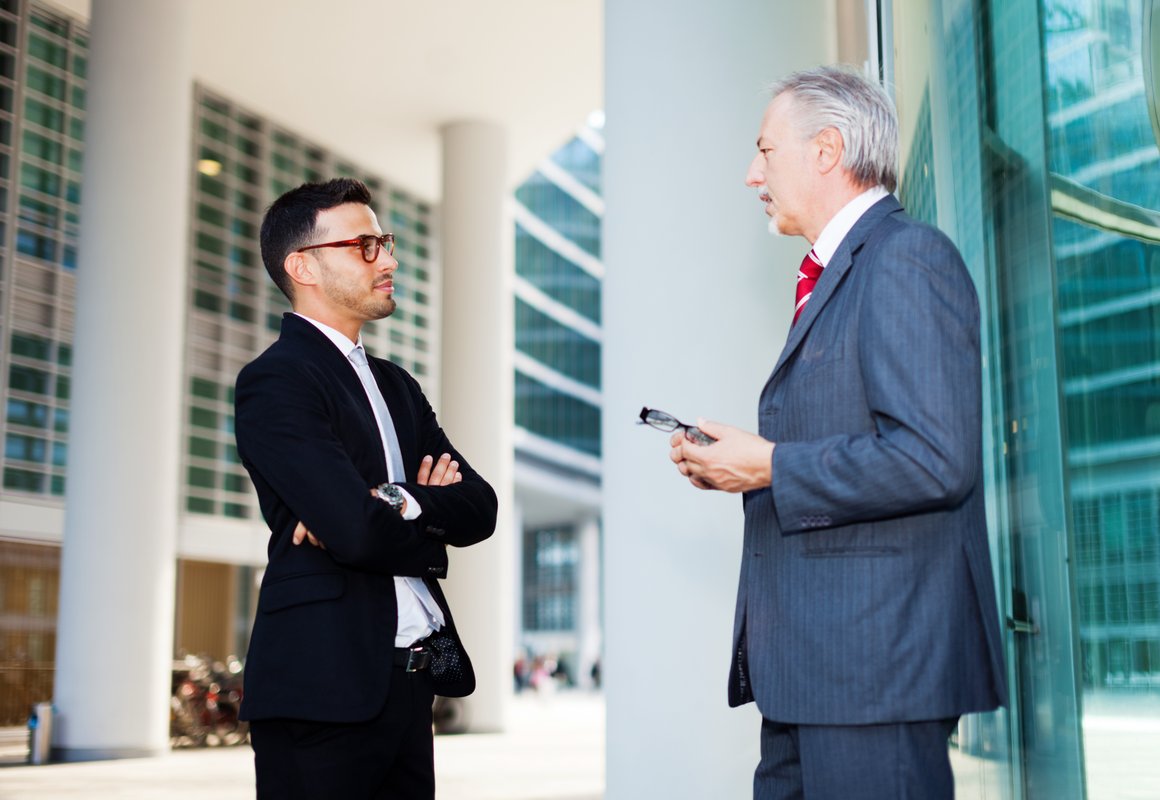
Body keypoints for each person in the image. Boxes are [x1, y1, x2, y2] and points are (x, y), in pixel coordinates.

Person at [666, 66, 1007, 799]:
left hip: (871, 675)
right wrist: (740, 461)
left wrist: (769, 467)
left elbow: (935, 458)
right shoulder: (842, 273)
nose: (751, 173)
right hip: (814, 678)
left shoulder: (906, 258)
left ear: (826, 150)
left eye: (765, 150)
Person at [234, 178, 497, 799]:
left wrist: (395, 498)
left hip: (410, 684)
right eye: (366, 246)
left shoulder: (396, 384)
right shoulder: (275, 381)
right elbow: (353, 529)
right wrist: (403, 508)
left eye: (386, 242)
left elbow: (480, 508)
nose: (390, 260)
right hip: (320, 690)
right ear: (303, 266)